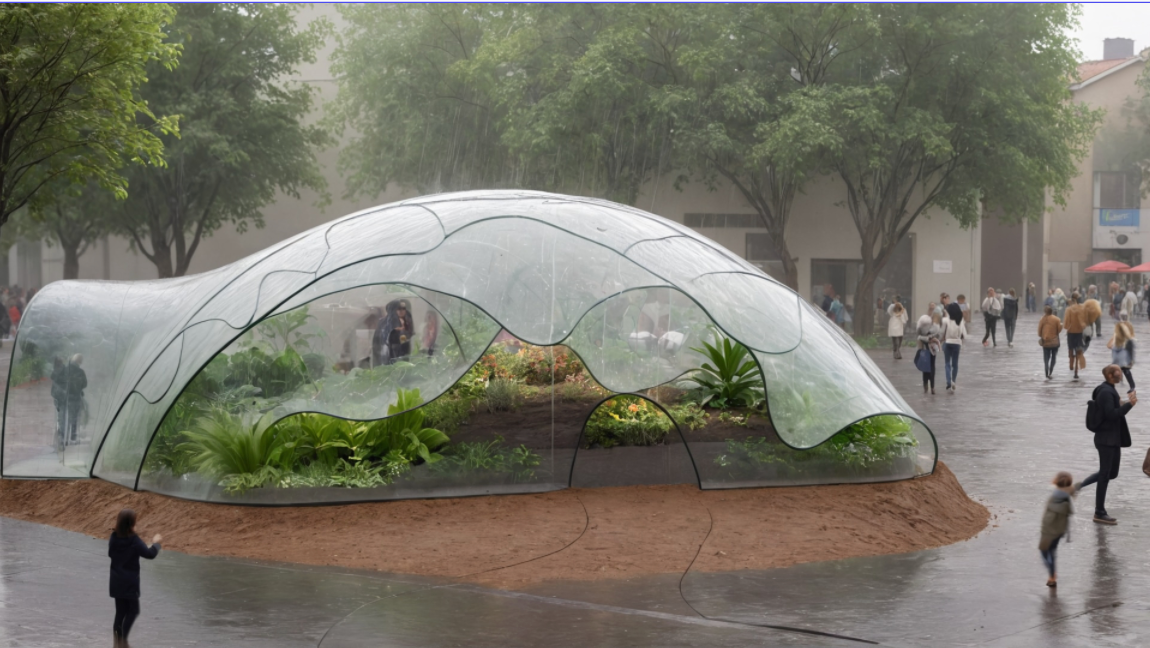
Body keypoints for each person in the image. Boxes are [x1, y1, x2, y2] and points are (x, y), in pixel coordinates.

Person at [1076, 365, 1135, 525]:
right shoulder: (1105, 392)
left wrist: (1123, 402)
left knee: (1112, 473)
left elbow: (1112, 408)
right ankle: (1099, 512)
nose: (1121, 374)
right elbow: (1111, 415)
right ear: (1110, 375)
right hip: (1106, 440)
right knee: (1105, 474)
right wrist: (1130, 404)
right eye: (1118, 372)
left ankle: (1079, 486)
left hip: (1113, 438)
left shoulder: (1109, 389)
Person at [109, 509, 161, 647]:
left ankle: (117, 642)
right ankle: (123, 641)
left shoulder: (114, 536)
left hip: (115, 581)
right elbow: (150, 554)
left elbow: (110, 553)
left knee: (120, 611)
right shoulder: (133, 540)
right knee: (133, 611)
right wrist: (156, 543)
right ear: (131, 524)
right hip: (129, 583)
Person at [1039, 471, 1075, 589]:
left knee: (1044, 551)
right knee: (1052, 551)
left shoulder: (1054, 497)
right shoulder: (1067, 498)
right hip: (1059, 531)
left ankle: (1052, 573)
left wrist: (1044, 530)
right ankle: (1052, 576)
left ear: (1055, 481)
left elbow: (1048, 518)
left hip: (1048, 531)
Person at [372, 299, 414, 365]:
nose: (402, 311)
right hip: (391, 356)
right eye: (399, 308)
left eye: (404, 308)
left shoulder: (406, 320)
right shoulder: (388, 322)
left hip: (400, 355)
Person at [941, 302, 966, 392]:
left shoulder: (945, 320)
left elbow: (942, 332)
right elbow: (963, 333)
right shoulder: (961, 320)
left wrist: (940, 339)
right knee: (955, 364)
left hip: (948, 342)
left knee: (947, 363)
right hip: (957, 343)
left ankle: (948, 381)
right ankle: (953, 381)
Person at [1063, 293, 1088, 381]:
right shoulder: (1082, 309)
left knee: (1070, 348)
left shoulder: (1069, 309)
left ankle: (1071, 364)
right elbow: (1085, 320)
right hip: (1079, 332)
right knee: (1079, 349)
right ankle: (1077, 369)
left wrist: (1067, 326)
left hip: (1071, 332)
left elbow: (1066, 325)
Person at [1107, 314, 1136, 390]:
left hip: (1120, 357)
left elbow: (1109, 345)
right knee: (1124, 371)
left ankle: (1130, 386)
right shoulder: (1125, 337)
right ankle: (1131, 386)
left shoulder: (1125, 337)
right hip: (1120, 357)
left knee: (1121, 370)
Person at [63, 354, 87, 444]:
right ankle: (72, 438)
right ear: (79, 361)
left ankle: (63, 438)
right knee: (74, 418)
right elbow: (84, 384)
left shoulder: (64, 370)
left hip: (64, 397)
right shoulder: (80, 371)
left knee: (64, 417)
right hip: (76, 397)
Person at [916, 313, 942, 394]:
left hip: (925, 349)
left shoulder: (922, 326)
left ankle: (926, 385)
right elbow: (939, 336)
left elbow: (919, 335)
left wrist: (926, 339)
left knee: (926, 367)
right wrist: (933, 339)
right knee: (931, 367)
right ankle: (932, 386)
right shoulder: (936, 327)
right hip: (932, 350)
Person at [1039, 305, 1062, 379]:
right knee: (1054, 357)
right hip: (1055, 342)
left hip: (1045, 342)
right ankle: (1051, 370)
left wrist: (1042, 335)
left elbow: (1039, 331)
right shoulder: (1057, 319)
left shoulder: (1043, 319)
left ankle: (1046, 370)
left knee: (1046, 358)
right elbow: (1059, 330)